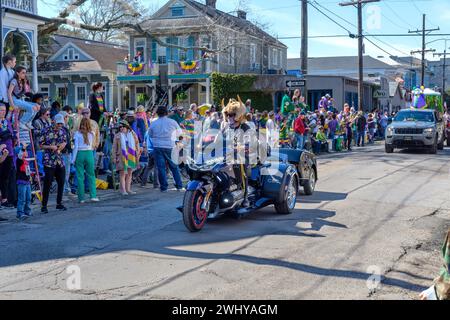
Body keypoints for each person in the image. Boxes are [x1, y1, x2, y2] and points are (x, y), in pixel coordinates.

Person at [148, 106, 184, 193]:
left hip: (158, 146)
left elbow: (150, 134)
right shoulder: (172, 122)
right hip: (170, 146)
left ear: (157, 113)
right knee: (174, 167)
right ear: (166, 113)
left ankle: (164, 187)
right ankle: (179, 186)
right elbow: (180, 133)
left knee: (161, 168)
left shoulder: (154, 123)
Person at [39, 114, 68, 214]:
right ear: (54, 121)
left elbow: (65, 142)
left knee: (61, 181)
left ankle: (59, 203)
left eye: (61, 123)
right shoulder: (46, 130)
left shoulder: (63, 131)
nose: (60, 125)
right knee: (47, 183)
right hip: (49, 160)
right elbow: (40, 145)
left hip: (59, 159)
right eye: (58, 123)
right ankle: (44, 205)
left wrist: (63, 145)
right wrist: (50, 147)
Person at [72, 118, 99, 203]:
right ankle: (93, 196)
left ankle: (81, 198)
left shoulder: (77, 134)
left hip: (80, 153)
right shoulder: (92, 133)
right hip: (89, 153)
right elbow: (92, 145)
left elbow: (75, 147)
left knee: (80, 177)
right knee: (91, 175)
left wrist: (73, 159)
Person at [112, 120, 140, 196]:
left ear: (127, 127)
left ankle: (128, 189)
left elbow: (137, 144)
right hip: (121, 156)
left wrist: (137, 153)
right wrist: (114, 157)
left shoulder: (133, 134)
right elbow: (114, 148)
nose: (121, 128)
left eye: (123, 126)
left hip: (131, 155)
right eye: (120, 127)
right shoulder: (117, 135)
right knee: (123, 173)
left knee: (130, 172)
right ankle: (123, 190)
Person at [0, 104, 14, 208]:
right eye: (1, 110)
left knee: (6, 177)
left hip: (10, 152)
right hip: (1, 151)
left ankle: (5, 199)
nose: (3, 112)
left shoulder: (7, 121)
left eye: (4, 110)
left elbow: (11, 134)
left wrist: (7, 135)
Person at [15, 144, 32, 221]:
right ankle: (20, 213)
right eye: (24, 151)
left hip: (27, 181)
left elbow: (27, 171)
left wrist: (31, 176)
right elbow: (20, 155)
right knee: (22, 198)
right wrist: (23, 148)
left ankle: (27, 211)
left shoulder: (26, 161)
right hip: (21, 182)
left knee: (28, 197)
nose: (26, 152)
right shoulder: (19, 160)